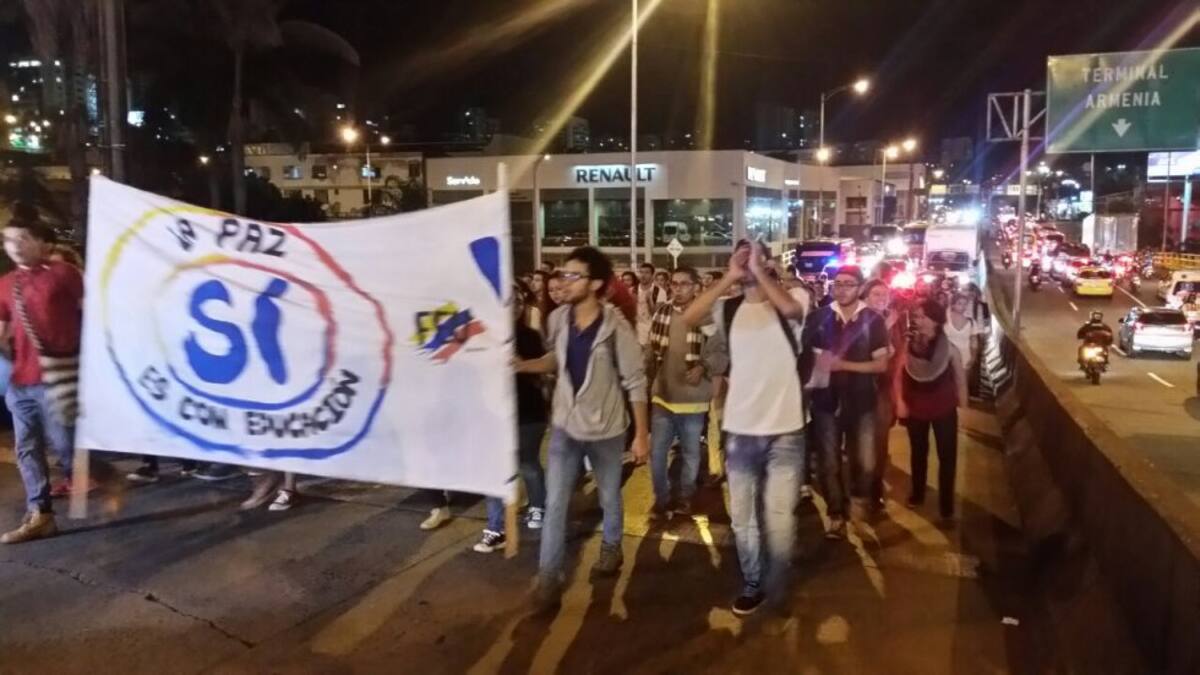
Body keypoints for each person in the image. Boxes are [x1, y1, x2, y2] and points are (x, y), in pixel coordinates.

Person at [516, 246, 649, 609]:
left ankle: (611, 547)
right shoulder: (558, 319)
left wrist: (640, 435)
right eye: (563, 274)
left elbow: (635, 381)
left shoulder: (615, 327)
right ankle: (548, 578)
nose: (563, 281)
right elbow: (555, 360)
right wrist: (523, 366)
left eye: (573, 276)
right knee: (557, 502)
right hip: (565, 428)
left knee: (608, 496)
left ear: (594, 284)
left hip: (606, 431)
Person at [682, 239, 809, 617]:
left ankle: (777, 581)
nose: (747, 263)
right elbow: (688, 317)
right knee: (742, 517)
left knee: (779, 517)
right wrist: (730, 277)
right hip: (740, 430)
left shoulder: (795, 296)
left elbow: (789, 308)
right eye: (740, 256)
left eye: (754, 256)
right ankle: (754, 581)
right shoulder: (727, 308)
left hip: (786, 429)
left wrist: (759, 269)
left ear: (769, 262)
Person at [0, 216, 117, 544]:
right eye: (9, 240)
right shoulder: (6, 283)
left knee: (67, 449)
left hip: (59, 377)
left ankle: (108, 476)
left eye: (22, 238)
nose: (15, 246)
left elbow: (94, 314)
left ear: (42, 242)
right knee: (27, 447)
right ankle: (40, 513)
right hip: (19, 383)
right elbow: (3, 331)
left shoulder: (65, 274)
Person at [803, 265, 889, 536]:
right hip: (826, 401)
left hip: (861, 401)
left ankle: (859, 500)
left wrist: (844, 365)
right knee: (828, 461)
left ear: (859, 287)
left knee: (864, 460)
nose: (841, 289)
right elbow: (810, 358)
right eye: (837, 284)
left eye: (848, 284)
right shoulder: (819, 318)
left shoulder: (873, 320)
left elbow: (881, 365)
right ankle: (836, 512)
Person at [475, 282, 549, 552]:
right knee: (494, 470)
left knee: (527, 463)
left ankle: (538, 506)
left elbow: (544, 369)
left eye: (518, 303)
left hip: (527, 412)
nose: (514, 308)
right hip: (494, 413)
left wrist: (522, 365)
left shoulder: (529, 336)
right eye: (508, 303)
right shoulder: (483, 335)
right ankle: (496, 528)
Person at [646, 266, 725, 517]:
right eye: (674, 283)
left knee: (691, 454)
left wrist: (703, 367)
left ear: (696, 287)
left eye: (684, 284)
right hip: (663, 395)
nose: (677, 288)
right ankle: (661, 498)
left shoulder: (707, 316)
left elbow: (719, 351)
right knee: (657, 454)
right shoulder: (663, 312)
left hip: (692, 399)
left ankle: (685, 497)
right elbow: (651, 350)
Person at [895, 299, 967, 523]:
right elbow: (898, 376)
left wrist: (963, 411)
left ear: (935, 321)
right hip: (916, 408)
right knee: (918, 454)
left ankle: (946, 507)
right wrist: (900, 402)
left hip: (944, 409)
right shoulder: (908, 346)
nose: (917, 319)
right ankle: (917, 494)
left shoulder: (950, 350)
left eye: (921, 316)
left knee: (948, 458)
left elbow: (960, 380)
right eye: (916, 315)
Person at [863, 279, 905, 510]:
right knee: (858, 442)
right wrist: (884, 327)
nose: (881, 298)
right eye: (876, 294)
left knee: (880, 443)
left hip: (883, 389)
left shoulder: (895, 320)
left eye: (884, 294)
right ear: (866, 297)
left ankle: (875, 489)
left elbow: (898, 355)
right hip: (859, 388)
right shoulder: (858, 319)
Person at [944, 294, 977, 375]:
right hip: (948, 358)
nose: (963, 306)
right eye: (959, 303)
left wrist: (973, 357)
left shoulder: (971, 322)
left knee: (964, 383)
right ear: (953, 305)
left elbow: (974, 341)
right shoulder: (945, 320)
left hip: (965, 357)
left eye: (965, 304)